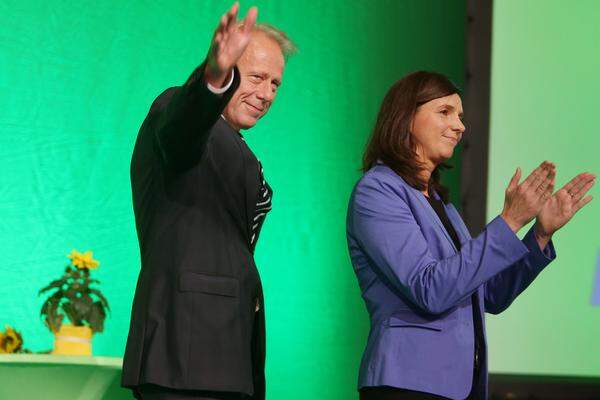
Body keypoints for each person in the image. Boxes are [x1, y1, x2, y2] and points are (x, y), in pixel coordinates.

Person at [346, 71, 595, 400]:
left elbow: (488, 294)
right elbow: (430, 289)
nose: (460, 126)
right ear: (406, 117)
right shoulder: (377, 191)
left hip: (457, 388)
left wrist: (540, 233)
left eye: (460, 116)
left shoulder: (439, 203)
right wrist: (509, 221)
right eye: (444, 112)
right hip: (408, 383)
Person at [121, 3, 296, 399]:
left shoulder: (234, 142)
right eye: (256, 77)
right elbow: (182, 131)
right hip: (186, 354)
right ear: (229, 67)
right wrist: (213, 78)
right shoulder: (178, 108)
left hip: (225, 355)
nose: (266, 94)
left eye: (275, 84)